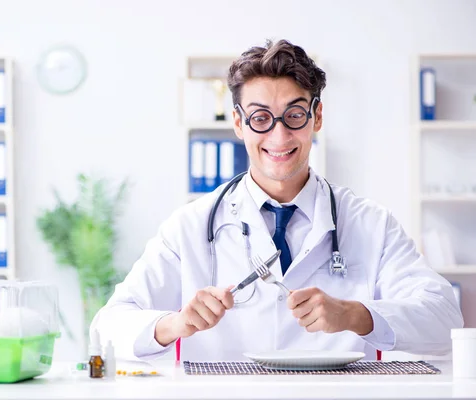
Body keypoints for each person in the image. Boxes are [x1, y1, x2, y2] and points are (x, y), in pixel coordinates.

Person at [91, 39, 463, 362]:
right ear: (238, 123)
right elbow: (107, 328)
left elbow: (445, 318)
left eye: (294, 115)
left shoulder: (370, 223)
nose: (279, 135)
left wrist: (355, 314)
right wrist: (175, 323)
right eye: (260, 118)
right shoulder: (190, 226)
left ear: (316, 117)